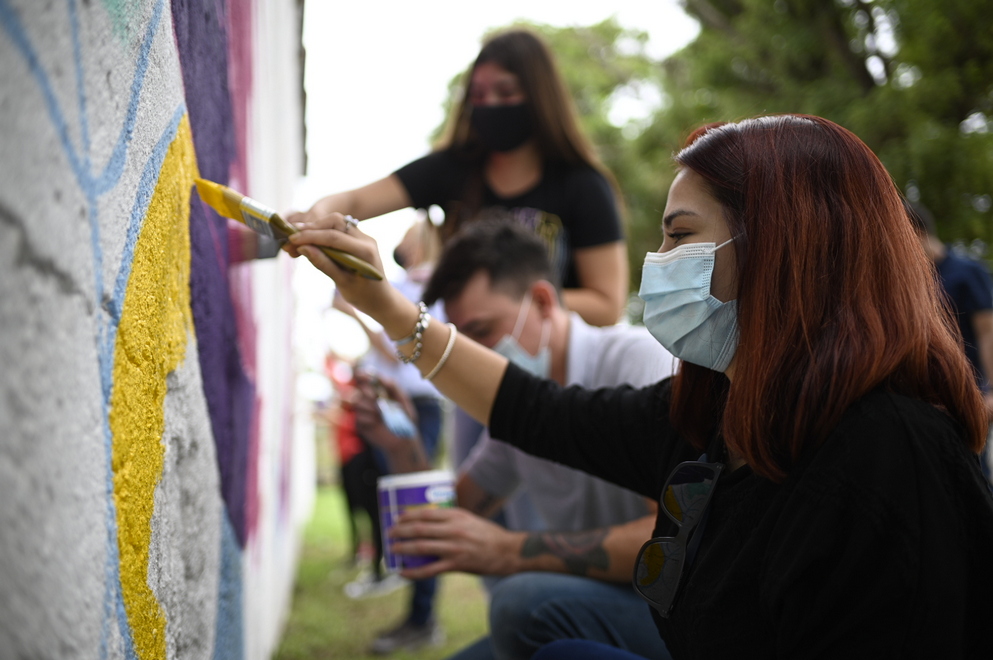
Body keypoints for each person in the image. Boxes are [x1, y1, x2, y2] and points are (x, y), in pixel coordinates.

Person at [286, 114, 993, 658]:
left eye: (679, 237)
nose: (656, 266)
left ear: (784, 247)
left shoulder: (887, 456)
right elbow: (530, 410)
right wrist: (381, 304)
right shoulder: (718, 415)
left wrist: (506, 551)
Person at [352, 221, 676, 660]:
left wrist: (510, 551)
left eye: (482, 332)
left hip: (672, 617)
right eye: (462, 340)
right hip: (577, 604)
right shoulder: (519, 414)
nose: (475, 358)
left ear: (542, 300)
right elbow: (445, 521)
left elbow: (671, 544)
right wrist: (401, 444)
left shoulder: (637, 361)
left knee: (520, 602)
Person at [287, 28, 628, 328]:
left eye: (506, 93)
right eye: (478, 96)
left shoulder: (583, 186)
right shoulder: (451, 169)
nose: (490, 105)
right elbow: (353, 202)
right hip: (464, 366)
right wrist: (318, 216)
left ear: (540, 98)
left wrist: (509, 304)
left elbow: (607, 305)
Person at [335, 218, 449, 652]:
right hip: (388, 404)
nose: (402, 238)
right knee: (388, 500)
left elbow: (406, 350)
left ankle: (422, 619)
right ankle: (395, 587)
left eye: (413, 230)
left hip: (416, 408)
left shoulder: (434, 289)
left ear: (425, 241)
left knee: (419, 508)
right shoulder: (399, 283)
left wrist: (359, 314)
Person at [907, 201, 993, 483]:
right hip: (931, 399)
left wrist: (991, 391)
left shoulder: (967, 272)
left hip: (971, 394)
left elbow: (988, 332)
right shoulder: (915, 280)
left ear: (917, 233)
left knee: (972, 474)